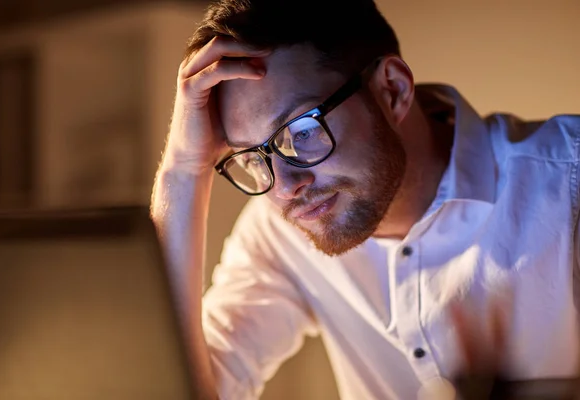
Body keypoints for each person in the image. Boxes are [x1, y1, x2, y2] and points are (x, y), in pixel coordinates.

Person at [149, 0, 580, 398]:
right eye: (250, 159)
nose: (283, 188)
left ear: (391, 90)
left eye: (302, 132)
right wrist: (183, 167)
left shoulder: (568, 184)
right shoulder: (276, 231)